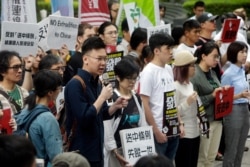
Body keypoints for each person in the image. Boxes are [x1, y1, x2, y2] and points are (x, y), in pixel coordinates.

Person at [64, 36, 128, 167]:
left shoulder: (97, 82)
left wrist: (115, 106)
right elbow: (84, 118)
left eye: (105, 59)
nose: (103, 63)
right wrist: (102, 98)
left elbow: (101, 114)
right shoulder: (75, 84)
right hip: (80, 154)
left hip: (97, 150)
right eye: (99, 59)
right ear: (85, 59)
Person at [139, 33, 184, 161]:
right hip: (159, 130)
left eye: (172, 48)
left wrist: (180, 123)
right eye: (168, 49)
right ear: (157, 51)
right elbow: (144, 103)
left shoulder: (169, 69)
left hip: (173, 127)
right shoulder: (148, 72)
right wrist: (156, 130)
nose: (171, 52)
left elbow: (172, 100)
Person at [104, 58, 147, 167]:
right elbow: (107, 128)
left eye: (134, 78)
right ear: (118, 77)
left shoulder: (136, 98)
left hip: (134, 148)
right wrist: (114, 151)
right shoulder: (111, 98)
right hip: (117, 151)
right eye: (129, 79)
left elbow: (142, 123)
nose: (132, 82)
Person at [15, 70, 63, 167]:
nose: (60, 91)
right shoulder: (48, 118)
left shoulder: (26, 109)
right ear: (50, 92)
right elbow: (56, 156)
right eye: (59, 88)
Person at [190, 42, 223, 167]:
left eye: (218, 57)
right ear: (203, 56)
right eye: (214, 56)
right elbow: (194, 102)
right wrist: (212, 96)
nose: (216, 60)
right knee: (202, 158)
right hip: (204, 121)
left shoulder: (213, 73)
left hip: (218, 118)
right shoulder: (195, 75)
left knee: (211, 157)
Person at [221, 41, 250, 167]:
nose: (245, 55)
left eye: (246, 52)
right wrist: (240, 95)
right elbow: (223, 98)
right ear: (234, 53)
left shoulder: (242, 70)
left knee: (240, 146)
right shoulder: (228, 73)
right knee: (232, 147)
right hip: (233, 110)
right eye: (241, 52)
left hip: (245, 108)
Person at [173, 50, 200, 167]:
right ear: (183, 68)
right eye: (192, 65)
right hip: (184, 133)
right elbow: (172, 112)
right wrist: (187, 103)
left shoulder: (190, 84)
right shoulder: (175, 86)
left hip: (195, 129)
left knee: (193, 162)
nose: (194, 68)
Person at [0, 50, 29, 114]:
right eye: (15, 67)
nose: (20, 70)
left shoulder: (24, 92)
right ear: (2, 71)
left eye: (20, 66)